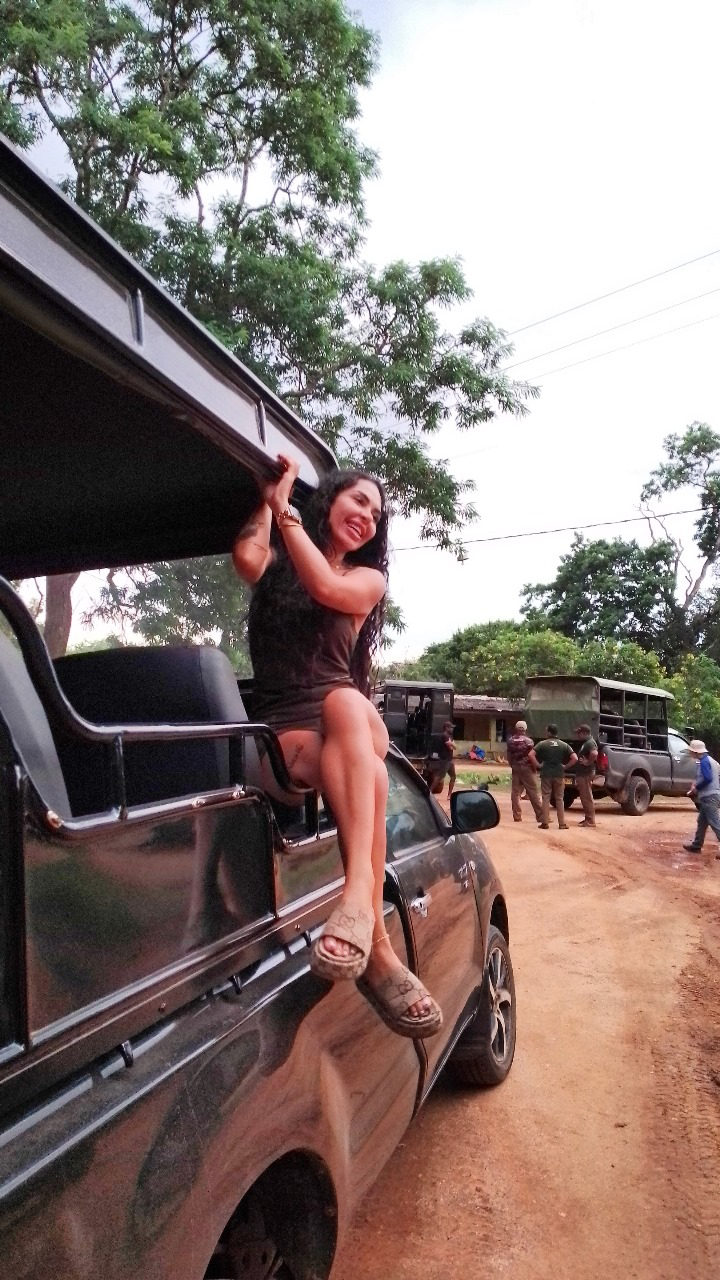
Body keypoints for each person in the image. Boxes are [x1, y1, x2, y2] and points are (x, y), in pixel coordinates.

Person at [232, 455, 442, 1038]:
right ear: (329, 500)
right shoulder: (276, 562)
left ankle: (355, 900)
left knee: (346, 702)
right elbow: (247, 558)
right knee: (370, 773)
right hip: (287, 738)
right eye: (359, 502)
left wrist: (286, 513)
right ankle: (378, 947)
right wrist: (269, 500)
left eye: (377, 514)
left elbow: (324, 587)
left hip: (350, 720)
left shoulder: (366, 580)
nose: (368, 518)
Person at [534, 723, 577, 830]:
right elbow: (575, 758)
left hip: (546, 773)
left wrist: (538, 765)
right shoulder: (564, 745)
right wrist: (565, 766)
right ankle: (562, 823)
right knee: (559, 798)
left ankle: (545, 822)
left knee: (546, 798)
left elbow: (530, 754)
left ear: (549, 732)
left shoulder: (542, 744)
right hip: (559, 773)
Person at [683, 739, 720, 857]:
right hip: (712, 795)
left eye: (691, 751)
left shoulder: (704, 762)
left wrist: (696, 787)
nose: (690, 753)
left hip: (709, 796)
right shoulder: (711, 761)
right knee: (702, 822)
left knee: (715, 822)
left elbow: (708, 778)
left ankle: (696, 845)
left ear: (695, 751)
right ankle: (696, 846)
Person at [506, 720, 542, 823]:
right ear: (525, 729)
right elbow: (531, 756)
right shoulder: (529, 741)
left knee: (515, 792)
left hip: (515, 767)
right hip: (527, 768)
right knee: (533, 791)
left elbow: (509, 756)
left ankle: (517, 816)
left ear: (516, 728)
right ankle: (540, 815)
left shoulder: (510, 741)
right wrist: (534, 768)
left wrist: (512, 765)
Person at [573, 723, 598, 827]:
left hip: (586, 773)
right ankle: (588, 818)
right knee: (584, 797)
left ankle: (590, 820)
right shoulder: (587, 742)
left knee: (586, 797)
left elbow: (594, 753)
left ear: (584, 733)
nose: (578, 735)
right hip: (583, 773)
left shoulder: (590, 743)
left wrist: (588, 762)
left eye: (579, 733)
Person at [424, 720, 456, 796]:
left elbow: (453, 747)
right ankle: (429, 792)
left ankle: (449, 795)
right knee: (439, 777)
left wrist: (452, 745)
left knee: (453, 776)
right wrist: (452, 745)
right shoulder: (445, 736)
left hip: (449, 760)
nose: (452, 729)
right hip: (445, 760)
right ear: (446, 728)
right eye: (451, 727)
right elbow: (450, 747)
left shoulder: (449, 736)